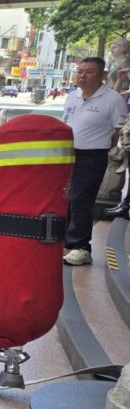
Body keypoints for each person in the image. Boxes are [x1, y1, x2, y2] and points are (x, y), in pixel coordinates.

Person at [62, 57, 129, 265]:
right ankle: (66, 241)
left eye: (88, 72)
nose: (82, 75)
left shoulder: (112, 100)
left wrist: (100, 146)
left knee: (82, 199)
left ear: (101, 74)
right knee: (67, 199)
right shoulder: (72, 97)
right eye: (80, 71)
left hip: (92, 156)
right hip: (68, 154)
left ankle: (81, 247)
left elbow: (118, 131)